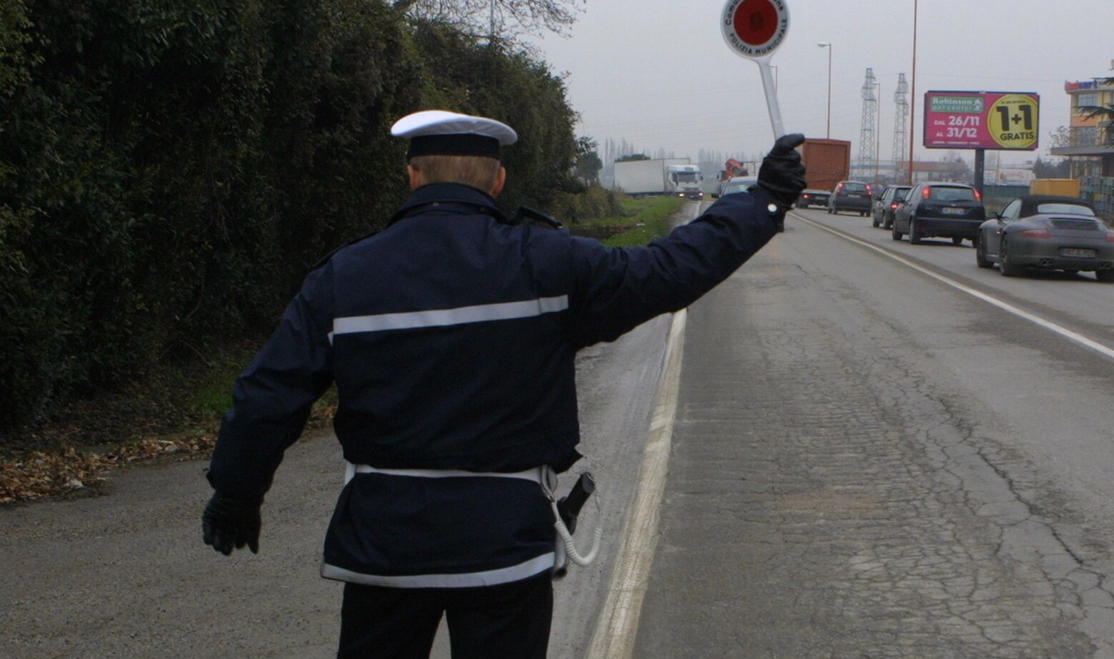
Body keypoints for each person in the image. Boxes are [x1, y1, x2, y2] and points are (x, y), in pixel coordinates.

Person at [201, 109, 806, 658]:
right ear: (497, 181)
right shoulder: (546, 263)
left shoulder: (343, 277)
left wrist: (236, 494)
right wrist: (766, 202)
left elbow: (268, 396)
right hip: (504, 547)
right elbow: (672, 269)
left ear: (412, 177)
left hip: (384, 546)